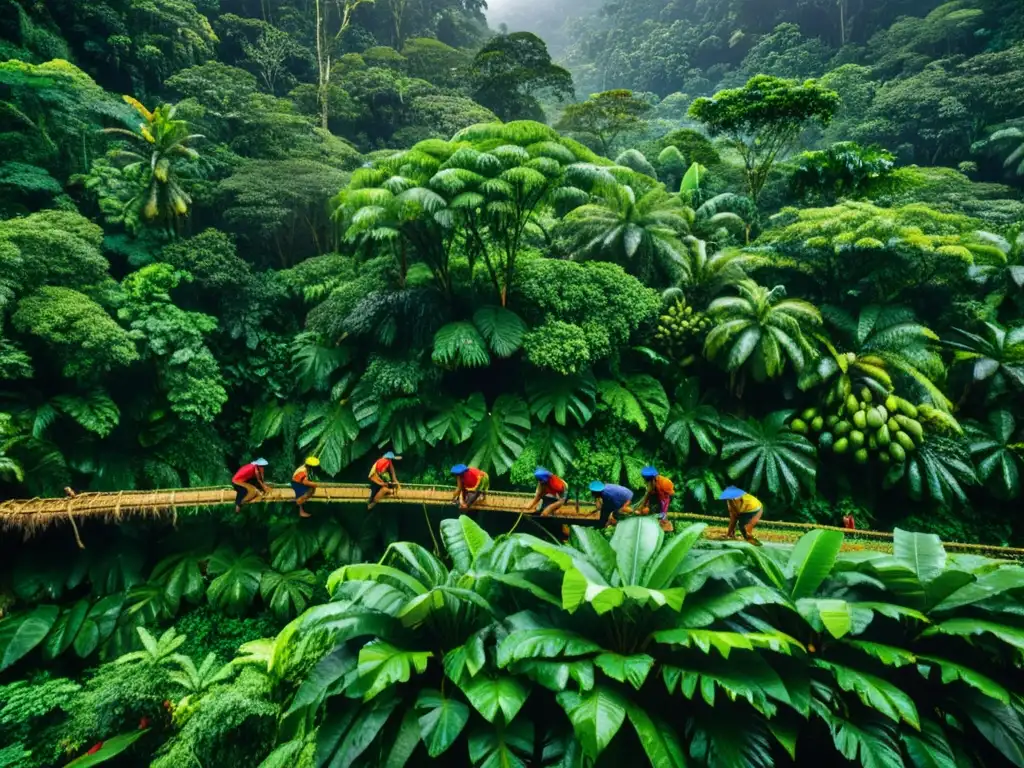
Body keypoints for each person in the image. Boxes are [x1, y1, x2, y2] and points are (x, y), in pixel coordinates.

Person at [637, 466, 675, 532]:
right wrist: (641, 508)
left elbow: (666, 501)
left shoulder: (665, 483)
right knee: (651, 510)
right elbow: (647, 495)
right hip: (656, 495)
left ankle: (667, 527)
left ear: (654, 479)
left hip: (666, 497)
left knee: (662, 514)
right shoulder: (650, 485)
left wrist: (663, 513)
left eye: (647, 481)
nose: (646, 483)